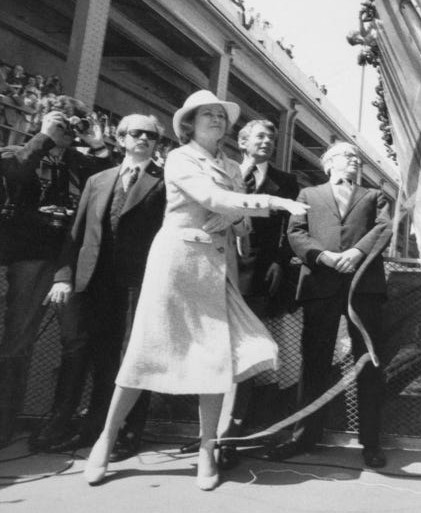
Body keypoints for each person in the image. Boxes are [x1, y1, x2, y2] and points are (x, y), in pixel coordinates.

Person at [83, 90, 308, 490]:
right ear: (190, 122)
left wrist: (234, 224)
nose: (217, 121)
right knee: (144, 354)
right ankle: (107, 438)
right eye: (209, 115)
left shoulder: (232, 166)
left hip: (216, 269)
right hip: (175, 263)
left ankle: (208, 448)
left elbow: (239, 225)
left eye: (221, 116)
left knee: (215, 361)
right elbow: (210, 197)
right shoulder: (179, 157)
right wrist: (274, 201)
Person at [36, 115, 168, 456]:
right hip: (92, 281)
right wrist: (63, 277)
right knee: (80, 351)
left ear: (157, 143)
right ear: (121, 138)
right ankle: (63, 423)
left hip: (136, 284)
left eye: (150, 135)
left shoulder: (165, 183)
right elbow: (76, 233)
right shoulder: (98, 180)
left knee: (129, 355)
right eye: (135, 133)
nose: (143, 139)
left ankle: (125, 431)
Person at [265, 141, 391, 468]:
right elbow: (296, 233)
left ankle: (371, 442)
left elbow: (383, 227)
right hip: (320, 285)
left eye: (356, 157)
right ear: (329, 164)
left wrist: (355, 254)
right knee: (314, 363)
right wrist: (324, 257)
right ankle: (305, 436)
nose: (353, 161)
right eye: (347, 156)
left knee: (369, 363)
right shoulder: (308, 196)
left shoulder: (374, 196)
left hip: (363, 288)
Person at [0, 96, 113, 445]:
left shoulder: (82, 162)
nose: (67, 128)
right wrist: (45, 135)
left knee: (75, 339)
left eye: (72, 123)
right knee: (18, 338)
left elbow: (117, 180)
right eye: (61, 121)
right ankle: (5, 423)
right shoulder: (19, 151)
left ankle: (59, 422)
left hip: (72, 258)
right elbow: (16, 170)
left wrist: (99, 145)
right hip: (30, 255)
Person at [211, 119, 300, 469]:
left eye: (271, 138)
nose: (267, 142)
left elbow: (287, 228)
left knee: (245, 354)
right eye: (259, 136)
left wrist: (279, 261)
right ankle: (210, 432)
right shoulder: (225, 171)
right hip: (219, 269)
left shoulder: (287, 183)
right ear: (243, 141)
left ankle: (232, 436)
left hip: (259, 276)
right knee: (217, 350)